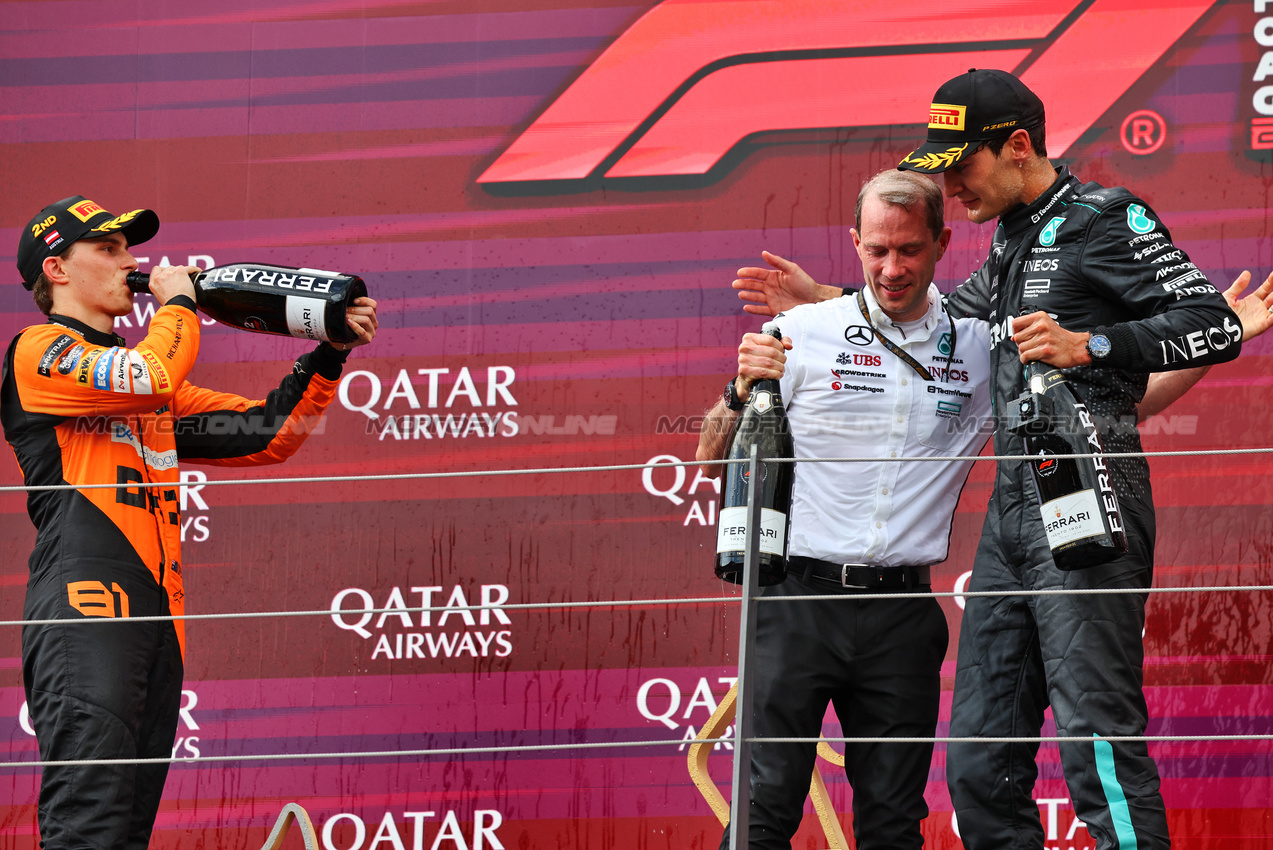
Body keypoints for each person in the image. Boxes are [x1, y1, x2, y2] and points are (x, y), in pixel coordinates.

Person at [733, 69, 1273, 850]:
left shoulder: (1104, 216)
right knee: (980, 766)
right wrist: (826, 304)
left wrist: (1089, 344)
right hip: (1013, 512)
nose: (949, 185)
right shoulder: (1012, 235)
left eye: (960, 166)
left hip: (1094, 489)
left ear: (1017, 146)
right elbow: (933, 325)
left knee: (1095, 744)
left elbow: (1204, 320)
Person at [2, 195, 378, 850]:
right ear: (58, 269)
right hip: (86, 612)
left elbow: (268, 432)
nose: (133, 261)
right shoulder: (39, 351)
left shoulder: (144, 388)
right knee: (88, 827)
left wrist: (327, 353)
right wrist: (178, 303)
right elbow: (146, 374)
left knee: (123, 834)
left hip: (155, 622)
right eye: (110, 249)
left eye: (129, 248)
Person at [697, 169, 993, 850]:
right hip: (795, 600)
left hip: (901, 612)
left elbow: (1119, 397)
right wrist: (740, 392)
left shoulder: (977, 348)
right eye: (877, 250)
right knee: (762, 809)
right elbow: (713, 459)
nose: (892, 268)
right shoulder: (801, 329)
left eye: (910, 250)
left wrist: (1207, 342)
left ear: (942, 243)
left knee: (892, 822)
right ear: (854, 243)